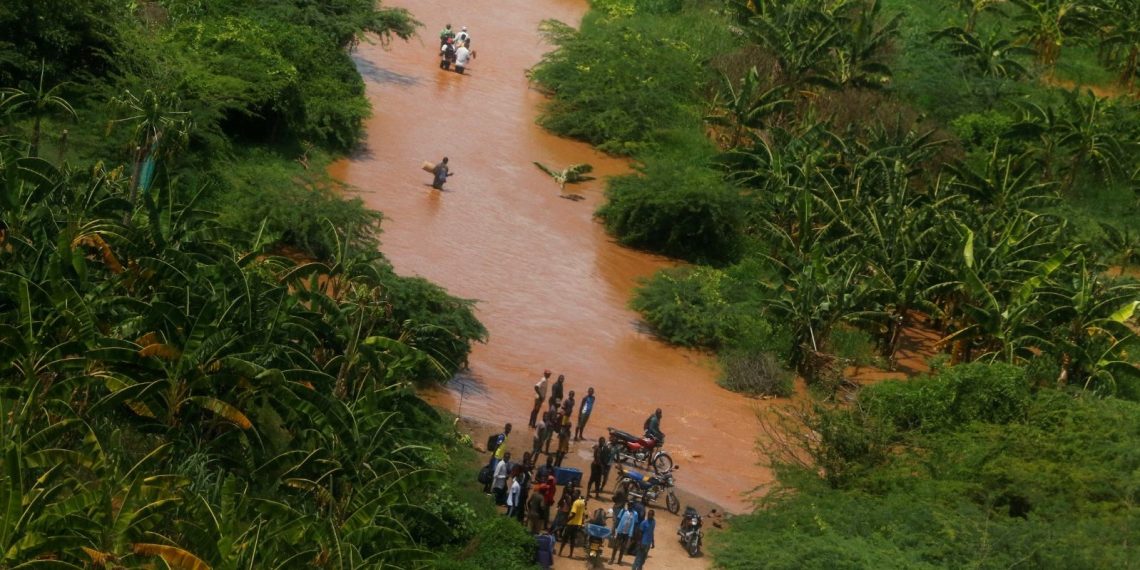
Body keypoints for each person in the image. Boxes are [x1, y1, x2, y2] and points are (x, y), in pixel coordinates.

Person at [558, 489, 587, 558]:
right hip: (577, 524)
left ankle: (560, 552)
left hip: (571, 523)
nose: (573, 494)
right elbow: (583, 513)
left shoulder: (575, 503)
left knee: (565, 538)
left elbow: (573, 514)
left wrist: (566, 521)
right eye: (574, 493)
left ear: (578, 495)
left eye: (575, 493)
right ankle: (570, 554)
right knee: (572, 540)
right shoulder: (582, 502)